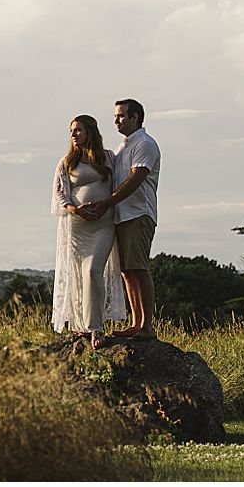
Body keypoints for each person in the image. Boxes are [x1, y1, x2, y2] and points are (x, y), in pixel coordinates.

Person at [83, 99, 161, 340]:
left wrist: (107, 203)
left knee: (139, 267)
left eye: (121, 116)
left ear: (135, 117)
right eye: (116, 116)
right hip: (122, 216)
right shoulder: (122, 147)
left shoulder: (145, 144)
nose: (116, 121)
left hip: (138, 213)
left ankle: (147, 326)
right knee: (127, 270)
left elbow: (136, 179)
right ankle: (136, 323)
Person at [50, 115, 127, 349]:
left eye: (78, 130)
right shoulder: (67, 162)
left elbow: (119, 185)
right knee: (80, 276)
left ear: (90, 132)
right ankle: (85, 325)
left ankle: (97, 328)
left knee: (93, 271)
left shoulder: (108, 158)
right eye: (71, 130)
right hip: (78, 228)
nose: (73, 134)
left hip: (103, 226)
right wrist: (75, 209)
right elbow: (59, 195)